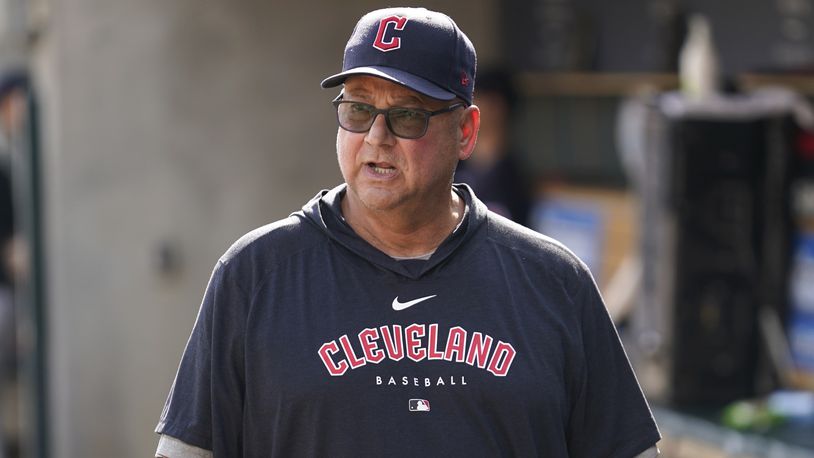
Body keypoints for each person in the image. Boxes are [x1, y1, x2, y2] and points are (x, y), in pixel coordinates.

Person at [155, 7, 661, 457]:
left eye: (407, 116)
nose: (376, 137)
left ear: (465, 131)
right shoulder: (256, 274)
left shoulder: (553, 282)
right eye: (358, 110)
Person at [454, 67, 533, 226]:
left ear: (497, 107)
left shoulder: (515, 181)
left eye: (475, 98)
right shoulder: (451, 167)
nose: (465, 108)